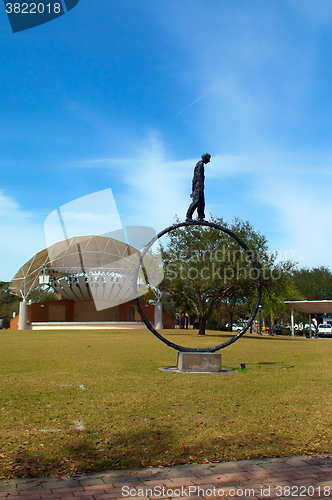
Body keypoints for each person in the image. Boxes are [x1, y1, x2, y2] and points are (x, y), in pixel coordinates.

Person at [186, 153, 211, 221]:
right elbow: (198, 178)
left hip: (200, 187)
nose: (209, 161)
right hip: (198, 187)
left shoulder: (200, 164)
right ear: (205, 157)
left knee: (201, 203)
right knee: (196, 201)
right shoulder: (200, 164)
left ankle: (201, 217)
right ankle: (188, 217)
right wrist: (196, 189)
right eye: (208, 158)